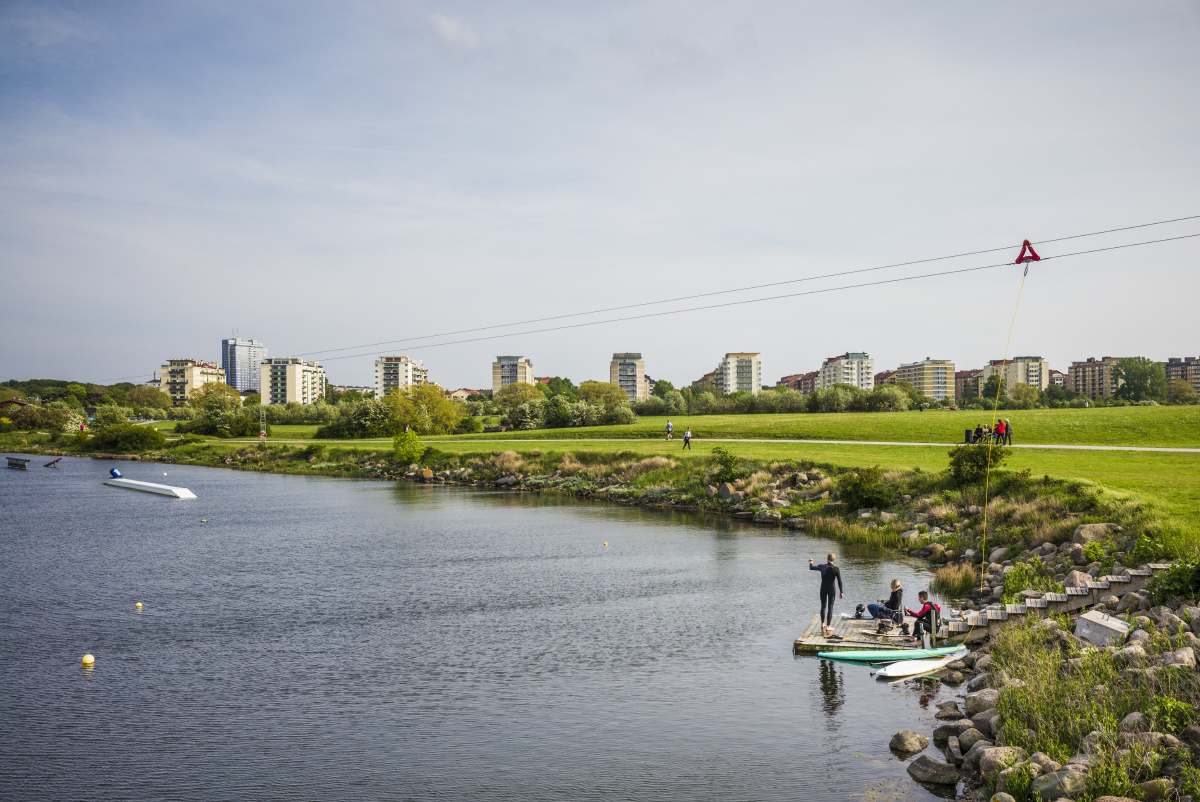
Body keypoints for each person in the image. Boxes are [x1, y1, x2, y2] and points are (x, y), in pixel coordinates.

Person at [809, 552, 844, 637]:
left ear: (827, 559)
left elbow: (811, 568)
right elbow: (839, 581)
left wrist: (811, 561)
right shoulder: (836, 569)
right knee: (830, 607)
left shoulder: (822, 566)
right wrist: (841, 591)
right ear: (833, 560)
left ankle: (822, 623)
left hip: (823, 589)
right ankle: (828, 626)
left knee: (823, 606)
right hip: (831, 589)